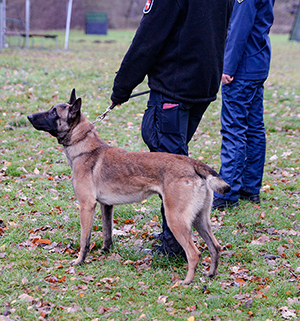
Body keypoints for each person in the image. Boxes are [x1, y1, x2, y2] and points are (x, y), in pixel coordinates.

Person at [111, 0, 233, 256]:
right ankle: (178, 232)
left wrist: (122, 86)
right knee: (176, 160)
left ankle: (175, 244)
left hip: (174, 87)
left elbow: (147, 39)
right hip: (202, 85)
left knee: (171, 169)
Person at [212, 0, 275, 210]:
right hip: (257, 62)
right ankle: (250, 188)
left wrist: (227, 67)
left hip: (242, 68)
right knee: (255, 128)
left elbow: (239, 28)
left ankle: (228, 195)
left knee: (234, 130)